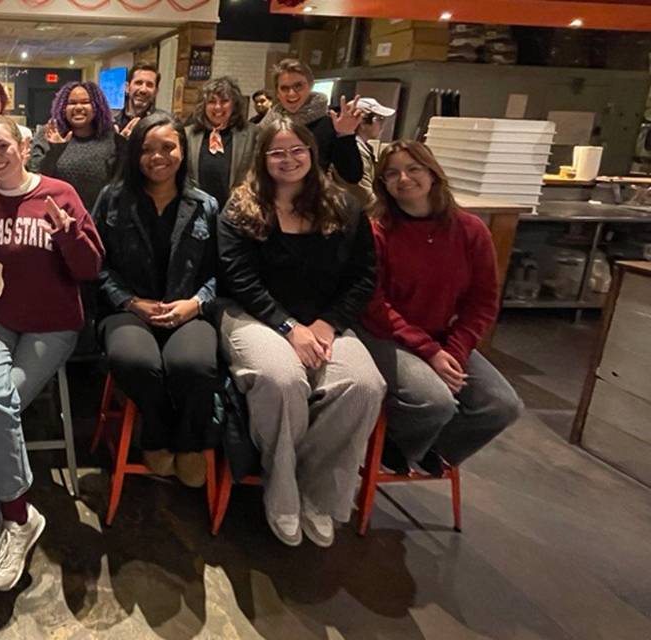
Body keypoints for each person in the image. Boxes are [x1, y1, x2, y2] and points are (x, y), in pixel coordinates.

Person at [217, 119, 384, 549]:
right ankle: (282, 493)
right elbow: (239, 280)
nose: (288, 160)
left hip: (326, 321)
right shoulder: (241, 207)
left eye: (297, 151)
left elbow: (363, 276)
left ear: (312, 153)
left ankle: (318, 493)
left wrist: (326, 324)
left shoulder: (344, 208)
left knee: (365, 385)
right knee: (282, 379)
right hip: (256, 316)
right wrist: (289, 328)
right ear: (263, 158)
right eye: (277, 152)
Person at [0, 115, 103, 591]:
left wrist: (66, 233)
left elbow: (89, 268)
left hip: (53, 324)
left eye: (3, 146)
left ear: (24, 146)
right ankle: (16, 517)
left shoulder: (61, 194)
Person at [361, 140, 522, 477]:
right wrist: (430, 352)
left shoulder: (470, 230)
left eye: (413, 168)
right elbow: (374, 304)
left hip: (443, 337)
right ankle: (397, 446)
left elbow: (482, 302)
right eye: (392, 174)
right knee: (433, 400)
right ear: (383, 184)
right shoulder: (378, 231)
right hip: (387, 335)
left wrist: (455, 350)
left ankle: (432, 450)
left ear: (432, 173)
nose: (404, 178)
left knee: (501, 405)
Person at [93, 113, 221, 487]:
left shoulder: (205, 205)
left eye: (168, 147)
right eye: (147, 149)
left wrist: (195, 304)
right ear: (134, 154)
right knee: (135, 361)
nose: (157, 157)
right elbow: (95, 265)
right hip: (126, 309)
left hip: (188, 309)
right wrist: (130, 302)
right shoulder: (113, 199)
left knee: (194, 365)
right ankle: (158, 430)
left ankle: (188, 443)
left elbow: (219, 272)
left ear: (183, 151)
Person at [257, 59, 365, 184]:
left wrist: (345, 135)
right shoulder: (266, 127)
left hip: (312, 199)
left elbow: (352, 175)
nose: (291, 94)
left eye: (298, 86)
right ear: (277, 92)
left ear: (310, 85)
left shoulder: (329, 124)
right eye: (285, 88)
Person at [28, 81, 117, 211]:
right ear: (63, 107)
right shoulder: (48, 133)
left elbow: (118, 183)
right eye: (72, 103)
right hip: (55, 219)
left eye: (85, 102)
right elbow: (35, 177)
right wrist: (55, 149)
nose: (79, 107)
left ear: (97, 106)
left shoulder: (109, 137)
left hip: (97, 221)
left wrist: (125, 145)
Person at [183, 76, 257, 208]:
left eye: (224, 101)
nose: (218, 107)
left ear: (234, 104)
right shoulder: (187, 134)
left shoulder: (253, 134)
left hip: (236, 212)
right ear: (203, 105)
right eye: (211, 102)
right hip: (197, 212)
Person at [352, 97, 396, 193]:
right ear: (362, 122)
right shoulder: (355, 151)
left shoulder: (365, 147)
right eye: (380, 119)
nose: (383, 125)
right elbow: (364, 194)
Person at [112, 62, 166, 138]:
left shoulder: (164, 125)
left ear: (156, 92)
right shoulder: (111, 124)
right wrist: (120, 141)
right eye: (138, 83)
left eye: (149, 85)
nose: (143, 90)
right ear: (127, 88)